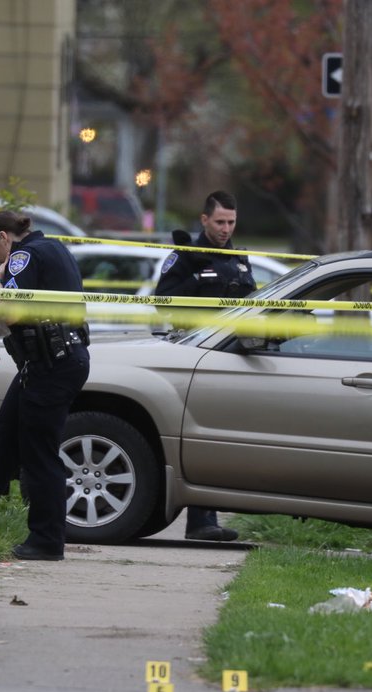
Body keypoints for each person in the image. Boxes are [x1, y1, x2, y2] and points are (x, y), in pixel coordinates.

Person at [0, 210, 90, 561]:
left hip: (51, 365)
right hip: (49, 361)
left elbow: (9, 313)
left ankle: (46, 540)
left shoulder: (24, 255)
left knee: (39, 453)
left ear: (3, 237)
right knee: (3, 440)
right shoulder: (54, 248)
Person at [155, 190, 256, 543]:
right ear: (204, 220)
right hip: (195, 359)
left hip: (233, 359)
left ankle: (203, 520)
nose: (226, 228)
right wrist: (197, 276)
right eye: (219, 222)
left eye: (231, 221)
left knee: (217, 442)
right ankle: (199, 519)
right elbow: (161, 303)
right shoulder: (186, 256)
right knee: (197, 439)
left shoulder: (239, 258)